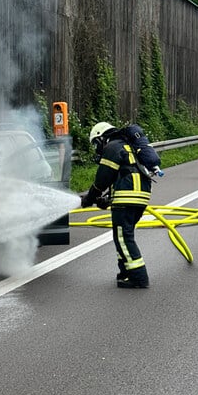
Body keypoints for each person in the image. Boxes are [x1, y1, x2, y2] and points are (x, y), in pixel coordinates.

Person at [80, 121, 153, 288]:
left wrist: (89, 198)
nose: (96, 148)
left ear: (101, 138)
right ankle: (126, 272)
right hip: (139, 196)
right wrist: (106, 199)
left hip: (127, 197)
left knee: (123, 237)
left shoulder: (112, 147)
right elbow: (123, 175)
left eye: (95, 144)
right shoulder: (127, 146)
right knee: (122, 236)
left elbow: (102, 179)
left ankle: (139, 277)